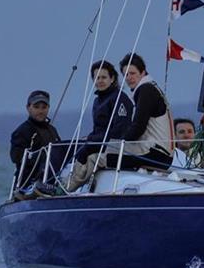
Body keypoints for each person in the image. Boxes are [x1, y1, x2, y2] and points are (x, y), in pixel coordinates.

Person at [68, 53, 173, 191]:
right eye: (126, 74)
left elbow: (137, 128)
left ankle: (66, 189)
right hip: (160, 151)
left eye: (133, 73)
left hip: (154, 152)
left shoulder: (145, 90)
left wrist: (117, 143)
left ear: (143, 72)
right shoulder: (152, 88)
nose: (129, 78)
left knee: (95, 156)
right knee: (95, 147)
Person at [72, 60, 134, 165]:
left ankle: (72, 179)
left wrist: (91, 139)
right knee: (66, 147)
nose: (100, 81)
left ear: (112, 79)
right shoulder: (98, 101)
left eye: (104, 77)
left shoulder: (119, 98)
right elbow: (98, 129)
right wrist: (90, 137)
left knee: (80, 151)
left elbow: (120, 130)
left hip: (111, 144)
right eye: (97, 78)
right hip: (97, 141)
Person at [9, 90, 61, 198]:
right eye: (36, 107)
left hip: (51, 182)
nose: (40, 111)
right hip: (27, 184)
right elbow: (15, 157)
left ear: (48, 108)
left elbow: (60, 152)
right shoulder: (22, 131)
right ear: (28, 108)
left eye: (44, 107)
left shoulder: (52, 130)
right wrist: (42, 156)